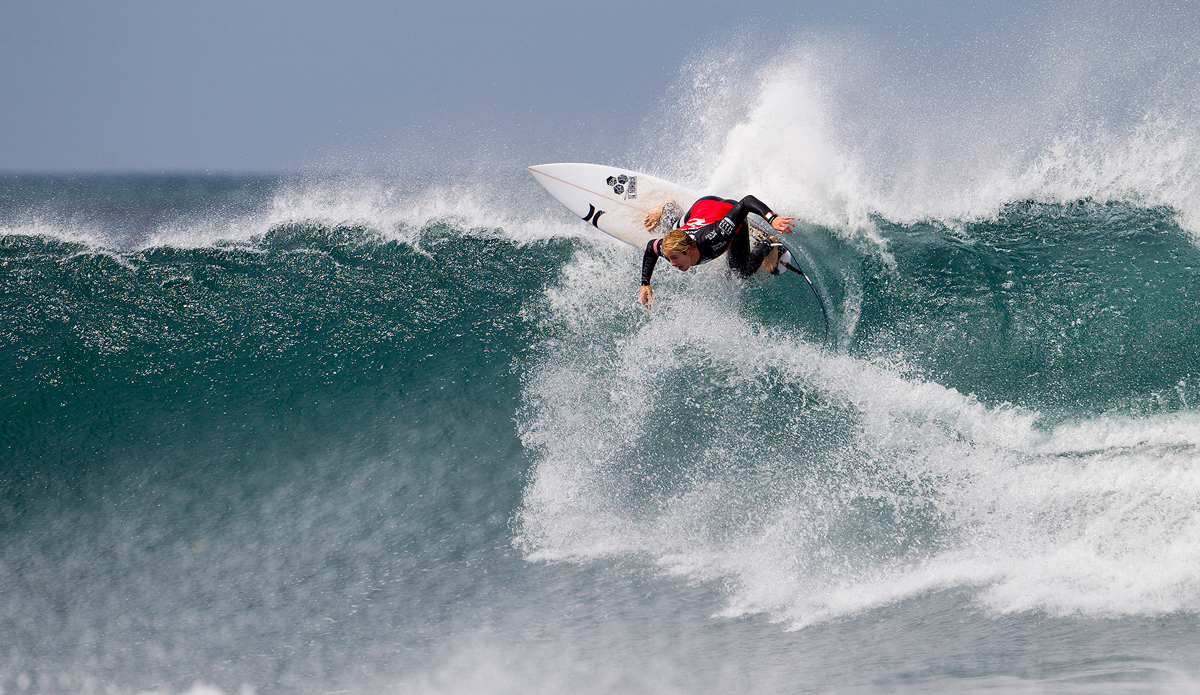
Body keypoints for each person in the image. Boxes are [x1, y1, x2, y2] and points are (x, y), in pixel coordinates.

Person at [638, 194, 795, 307]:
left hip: (727, 210)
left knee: (740, 271)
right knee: (670, 235)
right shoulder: (671, 248)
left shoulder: (717, 236)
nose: (672, 263)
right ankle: (668, 207)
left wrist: (772, 219)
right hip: (701, 207)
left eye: (675, 258)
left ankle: (769, 243)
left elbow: (747, 202)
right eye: (670, 258)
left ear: (689, 249)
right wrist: (645, 283)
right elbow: (651, 247)